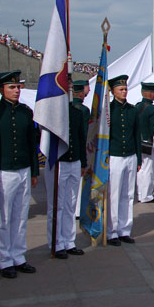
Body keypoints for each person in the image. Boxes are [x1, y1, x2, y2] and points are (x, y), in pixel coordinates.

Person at [0, 71, 39, 278]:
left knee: (20, 216)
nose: (17, 90)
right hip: (4, 171)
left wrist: (34, 171)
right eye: (12, 87)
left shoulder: (25, 112)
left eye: (18, 87)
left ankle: (19, 256)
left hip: (24, 169)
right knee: (4, 217)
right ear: (2, 89)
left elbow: (31, 144)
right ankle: (4, 259)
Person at [46, 98, 87, 259]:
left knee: (70, 203)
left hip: (74, 161)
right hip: (58, 162)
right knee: (57, 205)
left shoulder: (76, 113)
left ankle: (69, 241)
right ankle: (56, 243)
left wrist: (83, 162)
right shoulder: (50, 114)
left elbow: (80, 139)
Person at [107, 75, 142, 246]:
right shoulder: (108, 110)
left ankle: (124, 229)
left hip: (130, 155)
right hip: (114, 156)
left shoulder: (132, 110)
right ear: (113, 91)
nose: (124, 91)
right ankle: (112, 231)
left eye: (126, 89)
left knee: (128, 195)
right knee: (114, 194)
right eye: (120, 89)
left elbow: (136, 135)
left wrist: (138, 158)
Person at [135, 82, 154, 204]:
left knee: (141, 169)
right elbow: (153, 128)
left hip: (138, 142)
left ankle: (141, 193)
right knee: (148, 169)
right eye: (153, 92)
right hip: (148, 143)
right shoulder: (152, 108)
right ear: (149, 93)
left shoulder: (137, 106)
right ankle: (146, 195)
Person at [72, 79, 90, 219]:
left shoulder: (69, 107)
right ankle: (78, 210)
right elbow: (84, 133)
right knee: (78, 185)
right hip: (79, 151)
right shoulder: (83, 110)